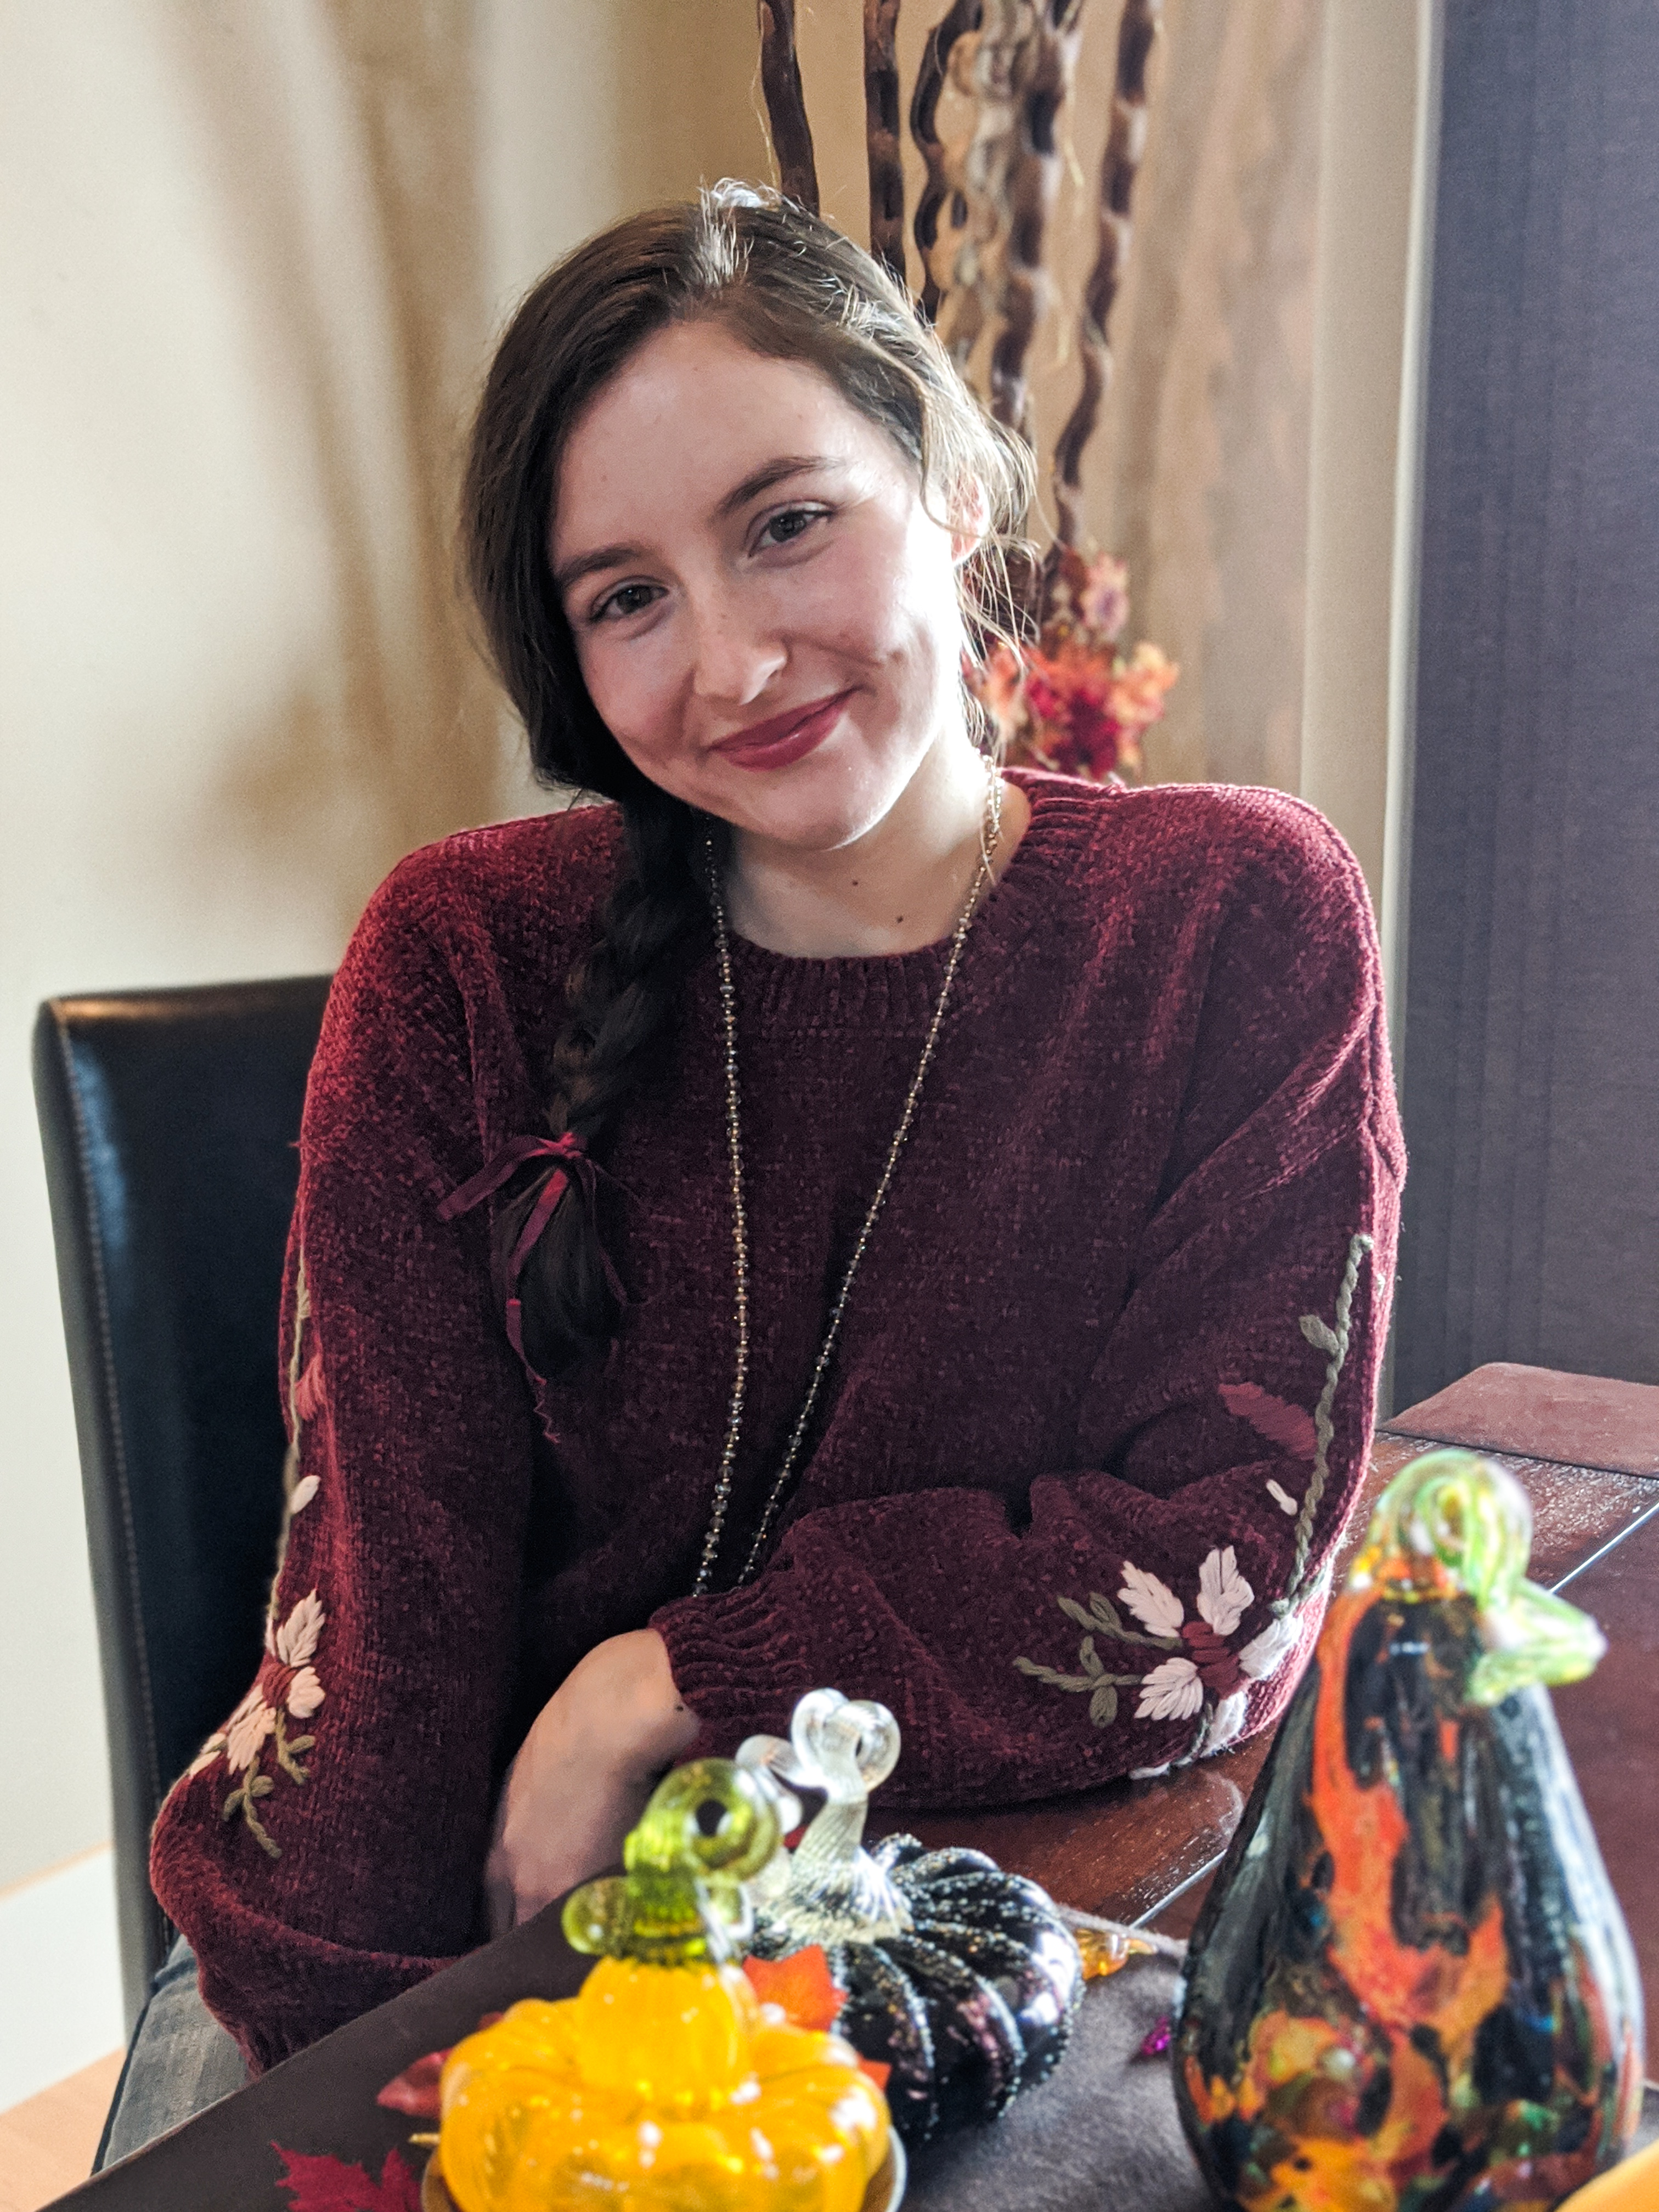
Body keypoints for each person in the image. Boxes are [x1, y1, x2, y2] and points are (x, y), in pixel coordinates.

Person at [108, 182, 1402, 2155]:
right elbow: (383, 1660)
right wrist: (409, 2115)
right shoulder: (465, 962)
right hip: (440, 1944)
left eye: (786, 524)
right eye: (625, 596)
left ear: (948, 485)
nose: (730, 664)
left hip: (949, 1931)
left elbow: (1215, 1584)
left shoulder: (1232, 921)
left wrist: (673, 1682)